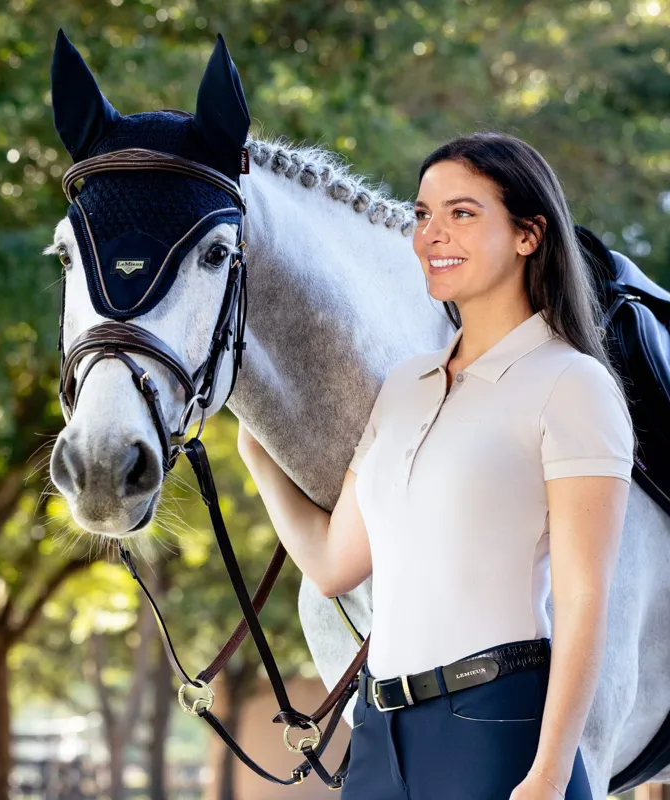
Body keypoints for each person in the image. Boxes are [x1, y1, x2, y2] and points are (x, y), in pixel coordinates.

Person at [237, 132, 634, 800]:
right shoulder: (405, 386)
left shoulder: (571, 383)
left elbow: (584, 599)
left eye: (462, 213)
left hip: (494, 722)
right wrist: (256, 448)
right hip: (378, 729)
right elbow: (336, 565)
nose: (432, 235)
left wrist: (550, 772)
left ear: (528, 235)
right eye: (423, 215)